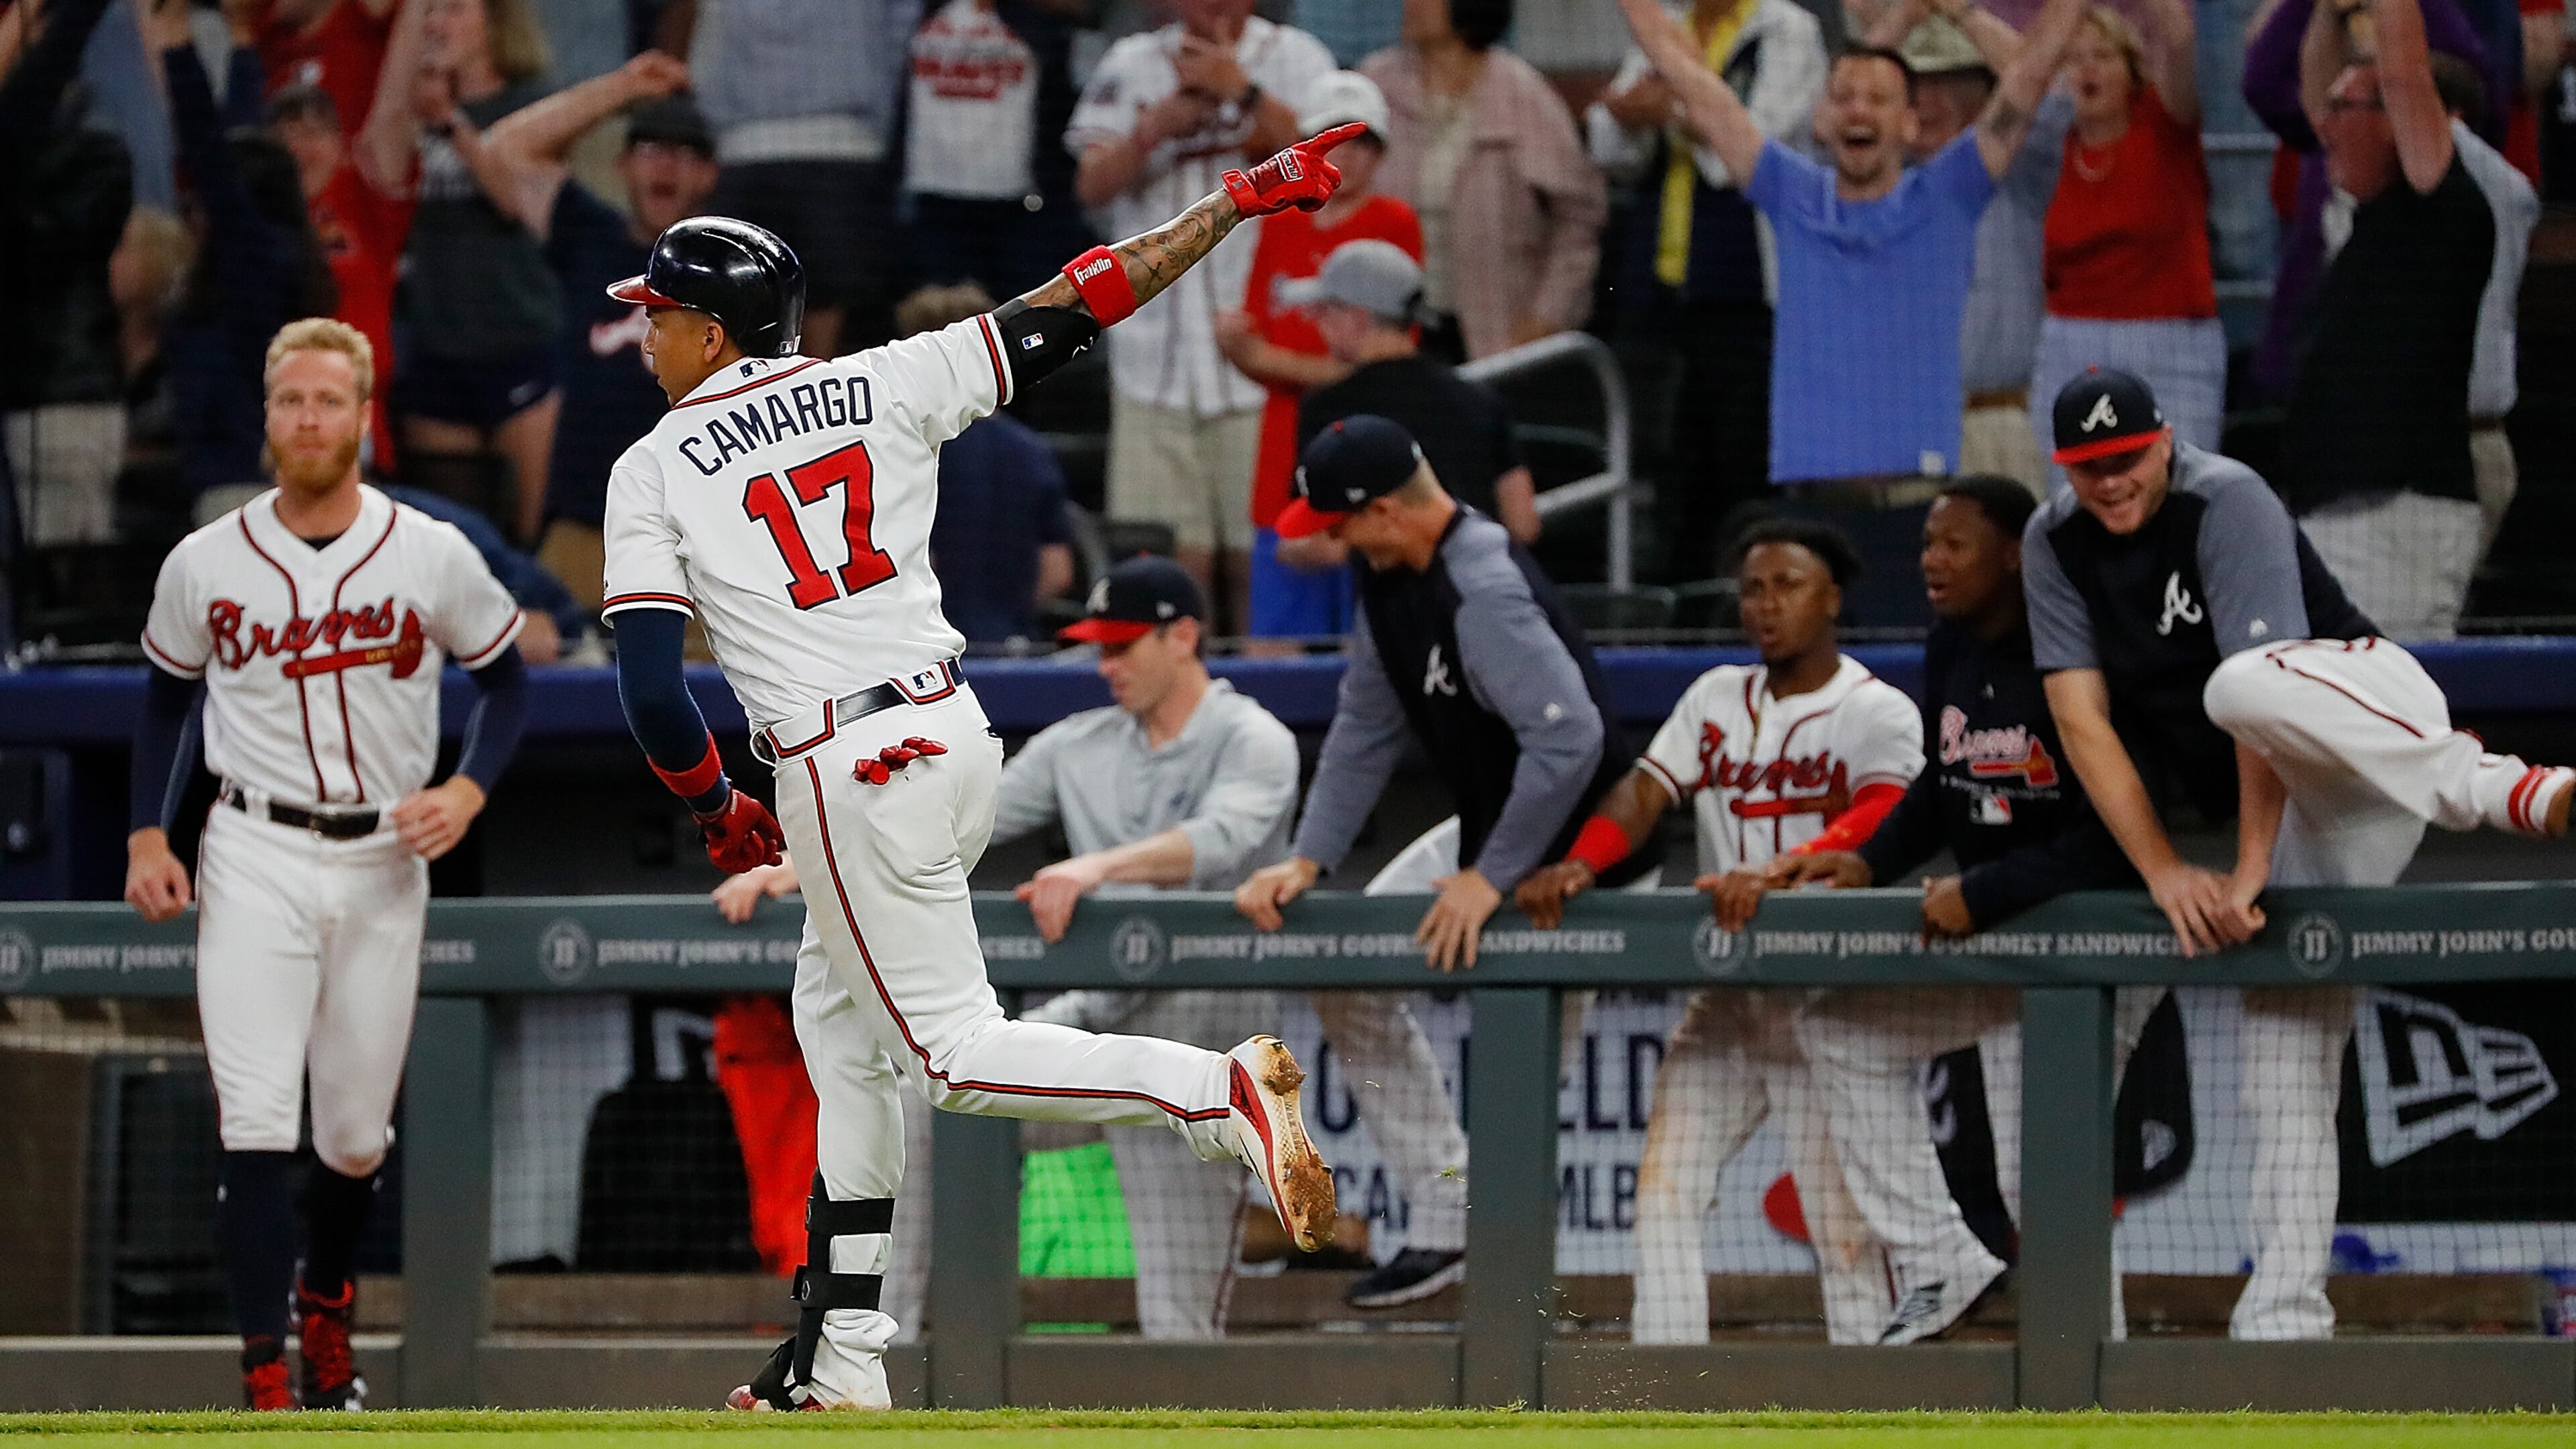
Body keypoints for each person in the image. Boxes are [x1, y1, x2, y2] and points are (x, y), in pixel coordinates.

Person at [598, 126, 1363, 1408]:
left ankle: (1218, 1092)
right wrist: (1231, 203)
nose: (646, 334)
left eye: (662, 313)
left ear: (716, 332)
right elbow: (1083, 297)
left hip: (842, 757)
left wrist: (715, 805)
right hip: (950, 736)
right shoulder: (887, 377)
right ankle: (839, 1358)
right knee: (839, 1034)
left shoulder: (655, 463)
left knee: (951, 1058)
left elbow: (645, 687)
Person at [2025, 367, 2573, 1340]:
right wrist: (2162, 871)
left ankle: (2496, 785)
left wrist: (2247, 870)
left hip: (2363, 719)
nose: (2107, 482)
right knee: (2285, 1066)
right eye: (2086, 467)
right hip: (2337, 818)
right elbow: (2083, 724)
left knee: (2236, 687)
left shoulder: (2226, 497)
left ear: (2163, 442)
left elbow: (2263, 709)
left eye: (2123, 460)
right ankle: (2284, 1322)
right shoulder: (2053, 540)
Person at [122, 317, 532, 1409]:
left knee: (351, 1133)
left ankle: (328, 1312)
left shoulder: (429, 552)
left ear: (364, 417)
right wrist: (148, 833)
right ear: (269, 417)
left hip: (384, 857)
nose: (308, 419)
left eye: (328, 401)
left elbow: (509, 683)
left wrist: (466, 788)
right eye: (290, 401)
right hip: (252, 846)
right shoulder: (206, 559)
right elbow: (165, 701)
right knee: (256, 1114)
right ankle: (267, 1374)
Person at [1236, 415, 1660, 1310]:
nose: (1331, 541)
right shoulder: (1387, 570)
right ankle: (1445, 1212)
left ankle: (1494, 1276)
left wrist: (1490, 876)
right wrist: (1311, 859)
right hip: (1496, 827)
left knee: (1519, 1068)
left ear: (1387, 510)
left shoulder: (1484, 588)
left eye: (1342, 523)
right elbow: (1364, 724)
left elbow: (1572, 741)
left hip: (1583, 858)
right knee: (1347, 974)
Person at [1746, 477, 2157, 1343]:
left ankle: (2098, 1387)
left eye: (1954, 544)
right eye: (1928, 543)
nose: (1931, 560)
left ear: (2015, 555)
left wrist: (1981, 892)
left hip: (2087, 943)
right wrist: (1867, 859)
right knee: (1841, 1031)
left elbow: (2117, 835)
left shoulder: (2078, 653)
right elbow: (1943, 786)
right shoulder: (1952, 646)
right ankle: (1942, 1258)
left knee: (2039, 1178)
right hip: (2001, 940)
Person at [1515, 519, 1925, 1346]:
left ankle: (1878, 1402)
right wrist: (1584, 864)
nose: (1766, 605)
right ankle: (1669, 1402)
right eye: (1753, 588)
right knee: (1664, 1193)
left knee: (1843, 1231)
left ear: (1834, 599)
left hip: (1830, 1004)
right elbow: (1644, 791)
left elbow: (1886, 817)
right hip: (1730, 1001)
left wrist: (1779, 871)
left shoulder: (1877, 709)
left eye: (1789, 586)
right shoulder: (1713, 696)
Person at [1609, 0, 2083, 624]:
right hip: (1809, 515)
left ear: (1910, 124)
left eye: (1880, 99)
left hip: (1921, 512)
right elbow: (1684, 72)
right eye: (1845, 97)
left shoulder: (1951, 192)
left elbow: (2032, 74)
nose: (1860, 110)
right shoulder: (1787, 190)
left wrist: (1965, 11)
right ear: (1823, 119)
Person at [1067, 0, 1337, 633]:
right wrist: (1154, 127)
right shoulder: (1132, 63)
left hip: (1259, 352)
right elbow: (1090, 186)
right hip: (1152, 349)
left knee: (1258, 559)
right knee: (1168, 566)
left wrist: (1239, 92)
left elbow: (1337, 167)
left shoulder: (1297, 57)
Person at [2281, 0, 2498, 638]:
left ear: (2397, 124)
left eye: (2346, 110)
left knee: (2386, 717)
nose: (2325, 128)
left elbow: (2404, 75)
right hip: (2337, 511)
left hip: (2400, 516)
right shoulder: (2359, 217)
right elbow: (2320, 93)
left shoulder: (2443, 204)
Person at [1589, 0, 1826, 576]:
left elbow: (1747, 151)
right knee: (1668, 469)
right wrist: (1649, 115)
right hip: (1663, 292)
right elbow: (1610, 140)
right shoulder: (1670, 22)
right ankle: (1676, 609)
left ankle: (1750, 593)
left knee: (1740, 468)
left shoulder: (1786, 30)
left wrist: (1664, 108)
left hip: (1746, 295)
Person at [474, 53, 706, 614]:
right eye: (650, 150)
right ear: (624, 165)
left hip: (698, 541)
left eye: (684, 154)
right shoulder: (590, 236)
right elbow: (503, 149)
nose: (665, 168)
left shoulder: (730, 266)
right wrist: (622, 86)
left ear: (710, 175)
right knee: (552, 682)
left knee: (709, 693)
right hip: (585, 527)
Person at [1215, 70, 1420, 646]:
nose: (1349, 157)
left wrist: (1263, 356)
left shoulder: (1393, 223)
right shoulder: (1278, 223)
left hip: (1369, 467)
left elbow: (1387, 364)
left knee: (1377, 648)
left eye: (1364, 143)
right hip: (1285, 459)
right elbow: (1254, 347)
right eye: (1335, 138)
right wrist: (1244, 352)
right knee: (1275, 652)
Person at [1854, 0, 2072, 497]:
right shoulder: (1871, 180)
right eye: (1912, 86)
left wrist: (1966, 16)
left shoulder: (2017, 173)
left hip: (1998, 423)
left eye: (1945, 82)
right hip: (1900, 423)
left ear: (1984, 91)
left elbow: (2055, 99)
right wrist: (1906, 15)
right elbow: (1837, 108)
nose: (1927, 101)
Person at [381, 0, 566, 545]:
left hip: (520, 340)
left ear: (498, 21)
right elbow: (385, 177)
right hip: (438, 345)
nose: (437, 23)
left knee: (540, 533)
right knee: (448, 543)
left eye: (455, 9)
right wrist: (413, 106)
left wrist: (451, 124)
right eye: (430, 11)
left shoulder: (533, 103)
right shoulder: (414, 110)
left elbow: (518, 199)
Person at [2020, 0, 2223, 482]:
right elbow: (2020, 71)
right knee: (2072, 507)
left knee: (2176, 498)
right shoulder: (2051, 142)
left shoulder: (2165, 122)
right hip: (2068, 344)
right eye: (2075, 57)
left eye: (2103, 55)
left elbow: (2178, 39)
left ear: (2132, 68)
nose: (2087, 68)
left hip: (2170, 343)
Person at [1362, 0, 1605, 363]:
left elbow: (1579, 220)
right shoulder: (1376, 82)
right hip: (1382, 333)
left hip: (1495, 336)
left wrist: (1544, 318)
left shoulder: (1522, 95)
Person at [685, 0, 910, 358]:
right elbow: (901, 35)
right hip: (845, 152)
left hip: (747, 156)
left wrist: (721, 137)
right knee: (827, 307)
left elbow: (709, 60)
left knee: (746, 310)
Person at [0, 0, 132, 551]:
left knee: (65, 600)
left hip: (59, 402)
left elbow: (39, 251)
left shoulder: (96, 153)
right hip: (22, 398)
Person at [903, 282, 1076, 646]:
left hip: (928, 653)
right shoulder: (1031, 451)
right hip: (1015, 649)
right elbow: (1058, 570)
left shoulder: (909, 451)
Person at [903, 0, 1096, 300]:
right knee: (943, 328)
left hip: (1020, 208)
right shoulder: (915, 15)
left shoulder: (1038, 24)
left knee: (1020, 326)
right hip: (934, 202)